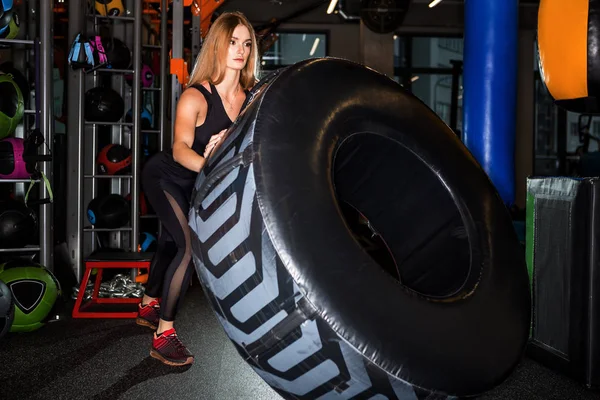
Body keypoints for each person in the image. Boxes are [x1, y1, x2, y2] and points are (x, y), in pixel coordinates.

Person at [138, 11, 259, 367]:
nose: (240, 51)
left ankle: (147, 303)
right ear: (218, 47)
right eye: (232, 43)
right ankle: (164, 335)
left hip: (203, 184)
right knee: (188, 246)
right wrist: (211, 161)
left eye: (247, 44)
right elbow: (179, 149)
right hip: (167, 176)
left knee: (168, 241)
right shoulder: (196, 96)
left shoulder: (250, 99)